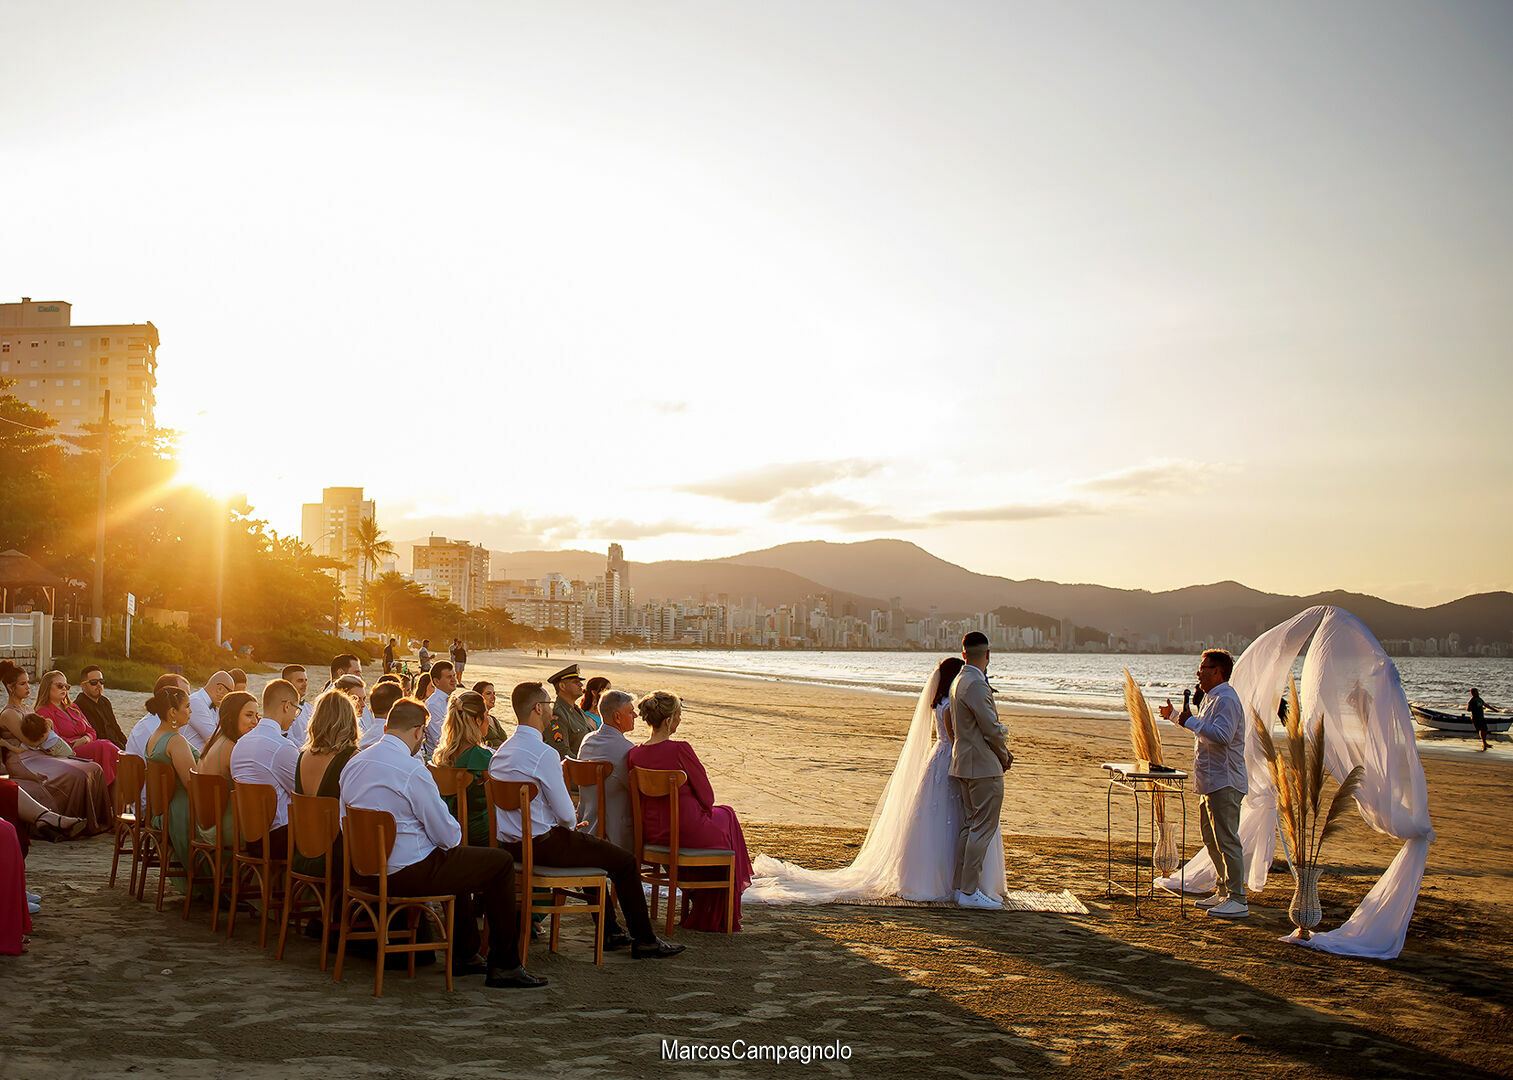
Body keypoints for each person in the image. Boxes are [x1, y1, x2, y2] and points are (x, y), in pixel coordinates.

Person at [748, 656, 1007, 905]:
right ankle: (955, 882)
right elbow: (954, 738)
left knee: (939, 820)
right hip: (949, 760)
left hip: (938, 759)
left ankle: (948, 881)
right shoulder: (950, 705)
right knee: (956, 819)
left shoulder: (940, 703)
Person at [339, 698, 545, 988]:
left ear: (386, 727)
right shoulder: (412, 770)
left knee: (455, 862)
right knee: (497, 863)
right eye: (423, 734)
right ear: (417, 732)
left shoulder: (354, 763)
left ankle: (467, 952)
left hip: (363, 871)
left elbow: (343, 821)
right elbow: (449, 836)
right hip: (405, 874)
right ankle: (505, 965)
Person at [490, 682, 685, 958]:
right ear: (537, 709)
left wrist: (572, 828)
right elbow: (567, 815)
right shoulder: (544, 753)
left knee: (589, 848)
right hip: (542, 845)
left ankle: (610, 931)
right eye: (547, 706)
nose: (551, 713)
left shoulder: (501, 753)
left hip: (509, 845)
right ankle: (645, 939)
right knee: (624, 862)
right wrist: (570, 826)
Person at [626, 690, 752, 932]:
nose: (680, 720)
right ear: (667, 721)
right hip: (686, 830)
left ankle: (701, 896)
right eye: (678, 716)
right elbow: (707, 797)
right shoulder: (680, 749)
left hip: (654, 833)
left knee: (723, 819)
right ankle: (716, 903)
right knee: (727, 815)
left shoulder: (634, 754)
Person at [1161, 648, 1248, 919]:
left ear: (1217, 671)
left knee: (1227, 840)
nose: (1198, 673)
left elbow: (1221, 736)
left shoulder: (1227, 700)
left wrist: (1189, 721)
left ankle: (1238, 898)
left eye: (1203, 668)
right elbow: (1200, 727)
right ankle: (1223, 890)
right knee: (1212, 839)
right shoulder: (1212, 698)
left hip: (1225, 780)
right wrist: (1176, 716)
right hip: (1209, 780)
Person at [0, 661, 111, 835]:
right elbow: (33, 741)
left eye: (28, 682)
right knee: (79, 773)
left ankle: (98, 821)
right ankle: (72, 823)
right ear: (10, 687)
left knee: (94, 767)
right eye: (23, 684)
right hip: (24, 760)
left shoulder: (28, 709)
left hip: (39, 755)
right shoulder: (9, 714)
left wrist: (46, 728)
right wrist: (47, 726)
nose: (28, 687)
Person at [949, 632, 1011, 910]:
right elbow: (991, 728)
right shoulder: (975, 683)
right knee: (982, 828)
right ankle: (969, 890)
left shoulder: (958, 681)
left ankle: (960, 887)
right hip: (982, 765)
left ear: (964, 654)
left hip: (964, 761)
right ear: (988, 655)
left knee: (969, 826)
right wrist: (1004, 753)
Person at [229, 675, 300, 859]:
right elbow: (303, 792)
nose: (294, 717)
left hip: (250, 835)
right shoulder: (282, 747)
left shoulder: (240, 743)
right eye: (296, 710)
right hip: (278, 838)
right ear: (286, 706)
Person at [291, 689, 360, 880]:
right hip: (335, 856)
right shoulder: (351, 758)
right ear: (349, 720)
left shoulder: (303, 756)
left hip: (304, 849)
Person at [196, 689, 263, 849]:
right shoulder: (233, 749)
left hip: (205, 825)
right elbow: (251, 792)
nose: (255, 721)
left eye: (256, 715)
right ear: (233, 716)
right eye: (249, 715)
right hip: (224, 829)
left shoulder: (216, 740)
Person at [35, 669, 121, 786]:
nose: (64, 689)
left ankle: (123, 781)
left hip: (86, 744)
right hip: (70, 751)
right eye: (60, 686)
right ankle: (126, 773)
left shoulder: (72, 707)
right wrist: (76, 742)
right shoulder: (44, 712)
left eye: (66, 686)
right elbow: (53, 741)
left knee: (104, 746)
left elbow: (91, 731)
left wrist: (86, 739)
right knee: (103, 745)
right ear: (47, 687)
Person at [142, 684, 197, 867]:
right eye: (187, 706)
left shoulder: (155, 736)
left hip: (160, 811)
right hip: (180, 813)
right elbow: (193, 784)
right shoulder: (175, 741)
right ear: (173, 712)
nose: (191, 711)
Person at [576, 689, 636, 849]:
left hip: (586, 828)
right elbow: (637, 793)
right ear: (617, 717)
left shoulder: (587, 741)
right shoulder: (627, 750)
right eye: (631, 712)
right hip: (616, 835)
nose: (635, 716)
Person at [432, 690, 493, 846]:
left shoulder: (441, 757)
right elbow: (498, 800)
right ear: (478, 720)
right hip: (481, 834)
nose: (489, 720)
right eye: (486, 715)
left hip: (449, 831)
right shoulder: (481, 757)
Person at [545, 664, 594, 759]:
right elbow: (562, 752)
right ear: (562, 686)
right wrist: (585, 765)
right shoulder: (557, 714)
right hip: (576, 769)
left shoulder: (577, 710)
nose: (581, 684)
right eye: (576, 682)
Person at [74, 666, 126, 749]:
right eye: (93, 682)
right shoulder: (77, 707)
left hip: (118, 746)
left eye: (101, 681)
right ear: (83, 686)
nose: (99, 685)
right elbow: (93, 735)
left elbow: (116, 728)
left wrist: (128, 746)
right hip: (102, 749)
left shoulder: (105, 702)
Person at [185, 671, 235, 754]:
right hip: (192, 761)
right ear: (220, 688)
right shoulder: (195, 702)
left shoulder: (216, 706)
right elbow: (215, 739)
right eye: (230, 693)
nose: (230, 698)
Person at [333, 674, 382, 749]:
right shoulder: (335, 728)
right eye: (357, 699)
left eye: (364, 699)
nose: (363, 705)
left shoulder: (364, 716)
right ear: (343, 699)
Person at [422, 661, 458, 761]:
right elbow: (439, 739)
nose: (454, 680)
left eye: (454, 676)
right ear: (437, 681)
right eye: (449, 677)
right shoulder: (433, 705)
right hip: (441, 758)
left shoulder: (453, 700)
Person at [283, 665, 314, 747]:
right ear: (288, 684)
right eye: (300, 681)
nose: (305, 684)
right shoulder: (282, 708)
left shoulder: (310, 708)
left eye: (306, 680)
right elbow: (287, 736)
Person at [472, 681, 508, 747]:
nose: (493, 697)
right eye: (488, 694)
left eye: (494, 694)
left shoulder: (493, 719)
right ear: (479, 697)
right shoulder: (476, 719)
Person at [1468, 688, 1492, 752]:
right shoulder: (1472, 701)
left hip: (1481, 717)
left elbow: (1485, 704)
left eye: (1477, 692)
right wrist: (1475, 708)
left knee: (1485, 729)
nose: (1477, 693)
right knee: (1482, 729)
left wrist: (1493, 709)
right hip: (1476, 717)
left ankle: (1484, 743)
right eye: (1476, 692)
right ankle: (1484, 743)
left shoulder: (1479, 699)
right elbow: (1468, 709)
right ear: (1473, 693)